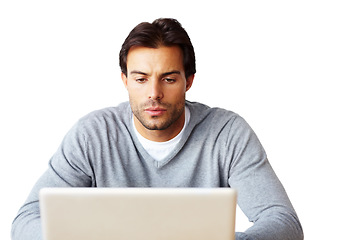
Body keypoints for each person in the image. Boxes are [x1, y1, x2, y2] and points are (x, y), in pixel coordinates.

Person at [11, 18, 303, 240]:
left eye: (169, 79)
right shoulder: (93, 134)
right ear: (125, 80)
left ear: (188, 81)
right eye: (140, 79)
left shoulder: (227, 133)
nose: (154, 93)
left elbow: (283, 221)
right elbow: (26, 220)